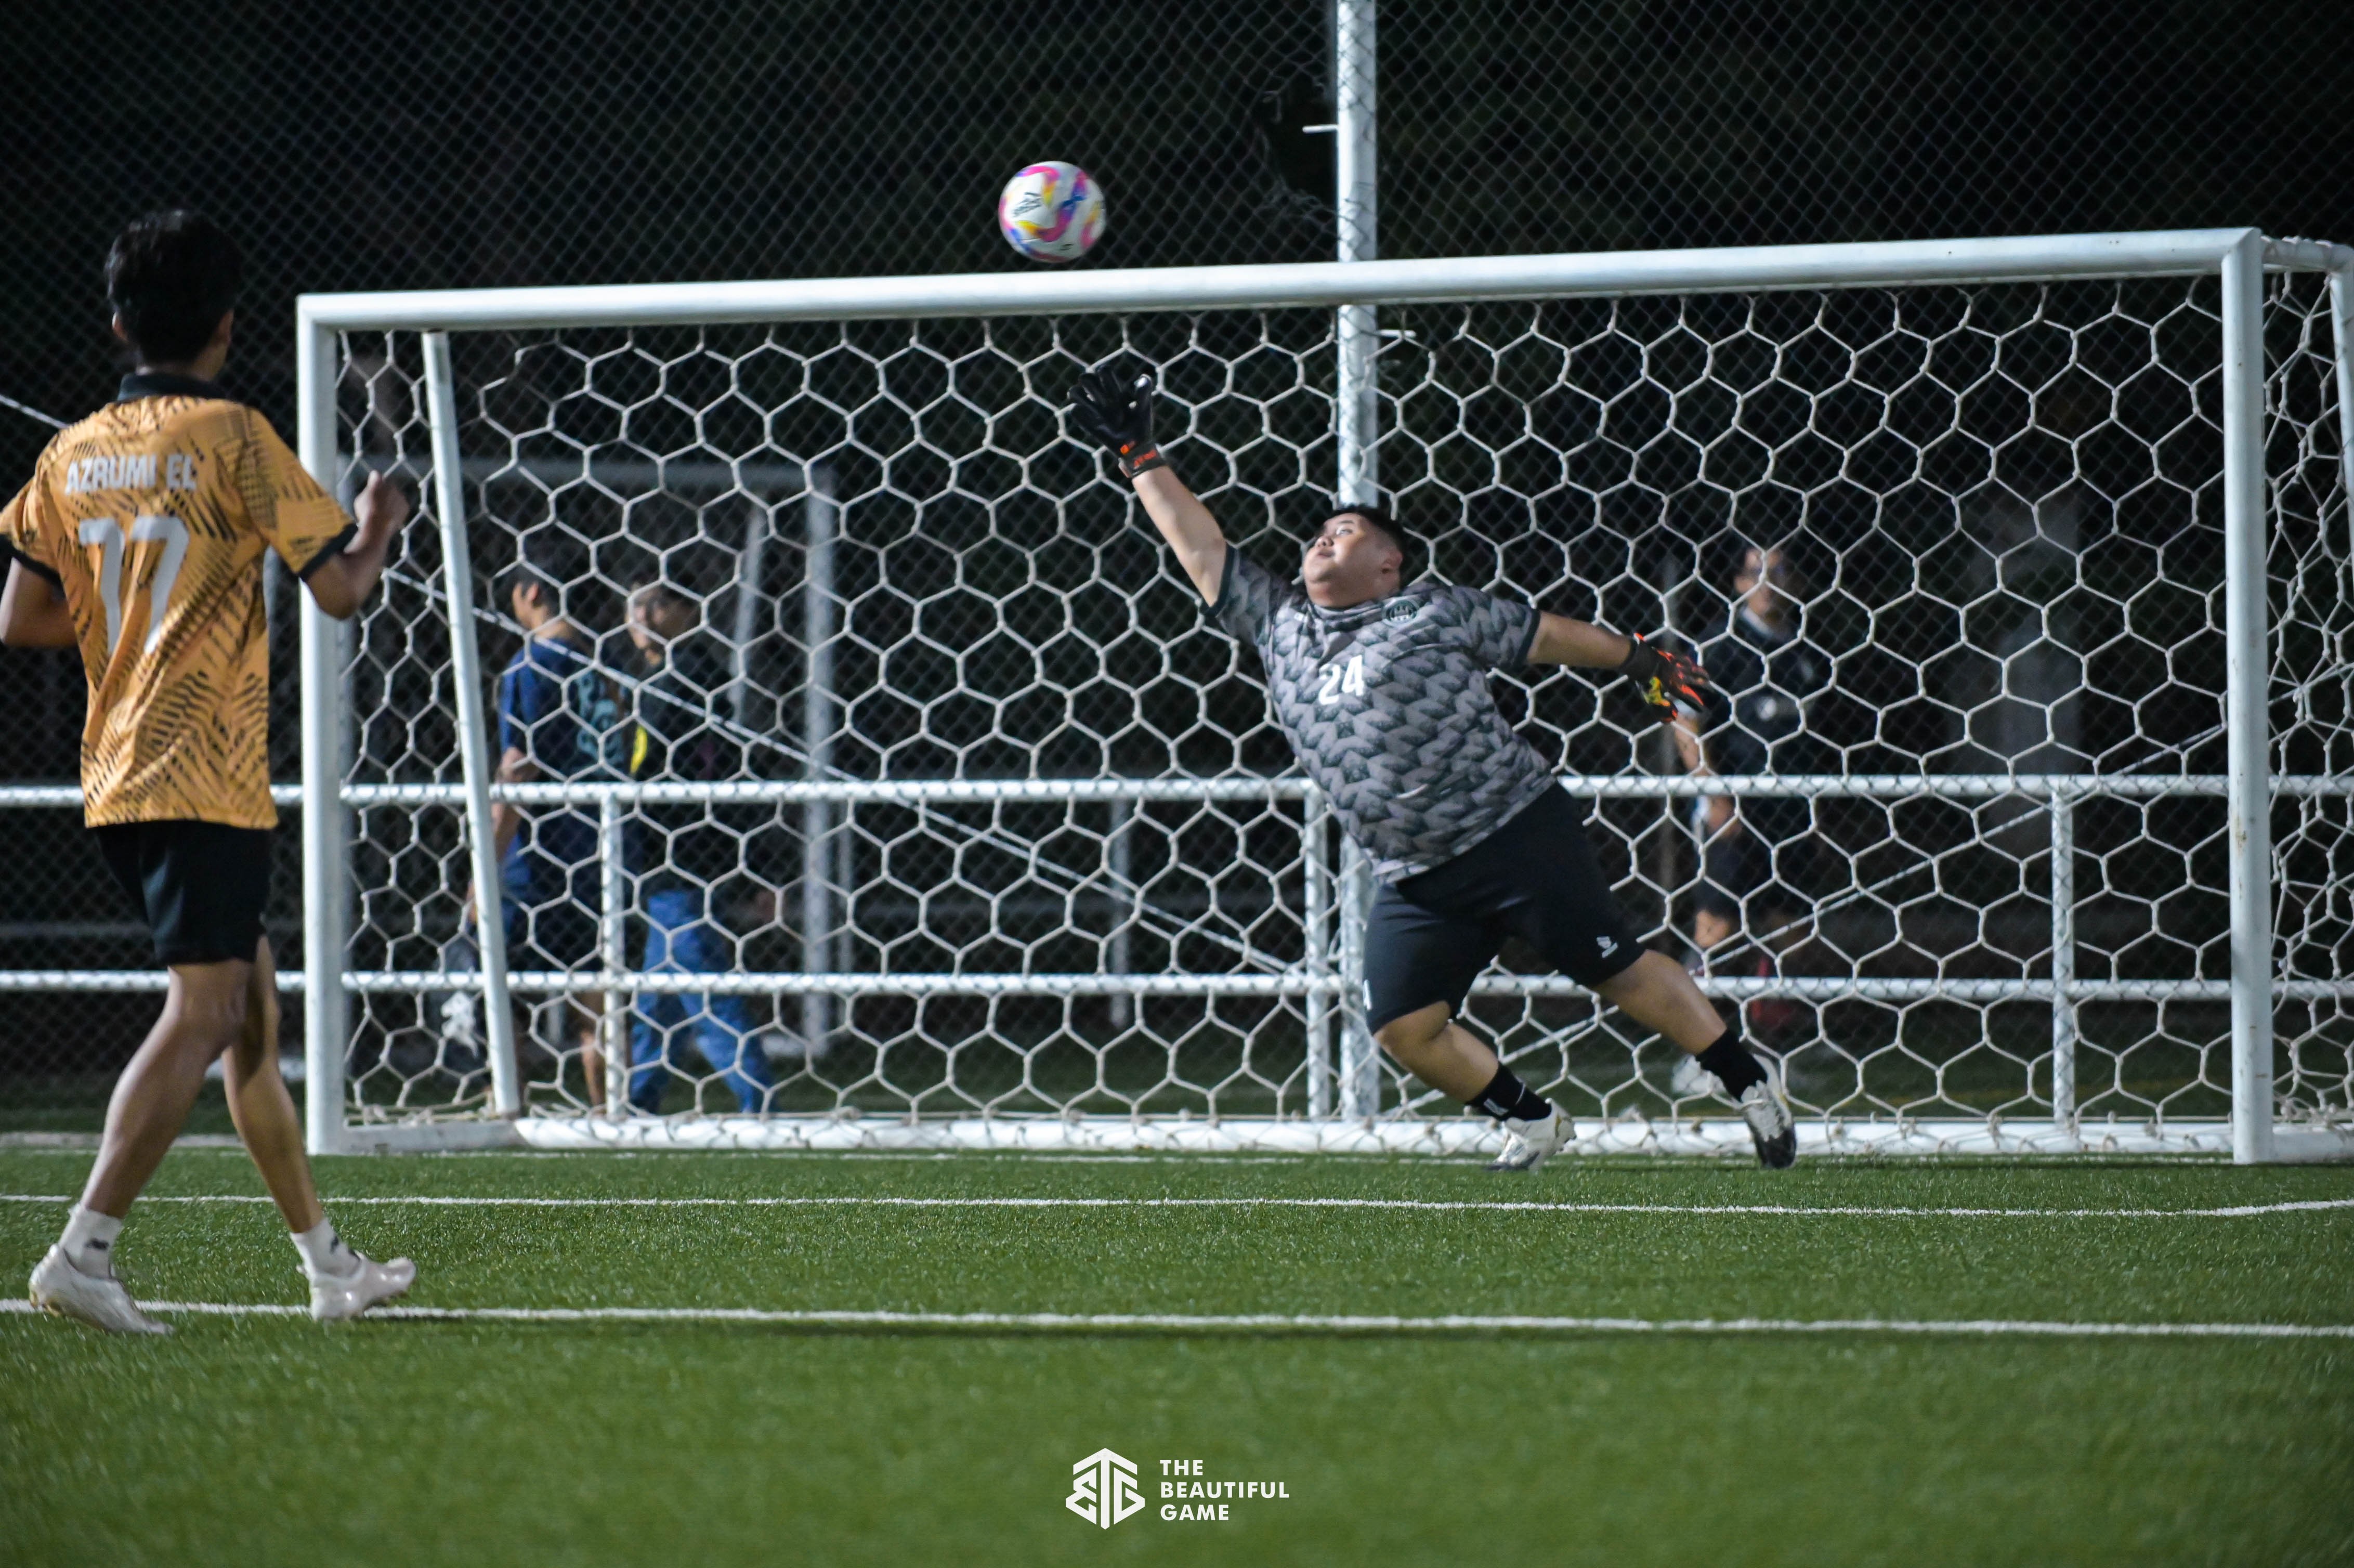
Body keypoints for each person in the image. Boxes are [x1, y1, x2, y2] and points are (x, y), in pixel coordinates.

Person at [1068, 365, 1797, 1170]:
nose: (1323, 538)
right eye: (1320, 532)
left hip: (1516, 834)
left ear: (1389, 563)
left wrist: (1641, 662)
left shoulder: (1431, 610)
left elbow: (1546, 636)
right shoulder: (1280, 628)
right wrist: (1140, 457)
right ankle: (1535, 1122)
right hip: (1415, 875)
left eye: (1346, 531)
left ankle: (1749, 1081)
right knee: (1403, 1027)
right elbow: (1201, 546)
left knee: (1618, 972)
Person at [1, 210, 414, 1331]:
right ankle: (82, 1251)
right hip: (205, 771)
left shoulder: (71, 452)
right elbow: (341, 591)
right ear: (227, 326)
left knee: (251, 1021)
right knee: (208, 1009)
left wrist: (130, 624)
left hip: (116, 769)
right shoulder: (234, 436)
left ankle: (329, 1265)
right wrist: (377, 522)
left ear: (118, 323)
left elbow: (21, 617)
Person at [461, 548, 626, 1107]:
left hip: (538, 859)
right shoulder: (605, 663)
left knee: (499, 986)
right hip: (601, 852)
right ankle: (608, 1111)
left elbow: (518, 771)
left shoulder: (532, 665)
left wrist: (484, 866)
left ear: (530, 593)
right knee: (595, 995)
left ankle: (508, 1099)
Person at [620, 575, 773, 1113]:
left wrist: (759, 869)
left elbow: (700, 772)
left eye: (655, 604)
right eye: (633, 605)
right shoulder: (670, 679)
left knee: (703, 992)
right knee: (658, 997)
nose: (641, 616)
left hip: (682, 858)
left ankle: (759, 1104)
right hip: (666, 860)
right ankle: (640, 1103)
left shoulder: (685, 683)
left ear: (688, 611)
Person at [1672, 544, 1832, 1047]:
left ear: (1797, 582)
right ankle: (1697, 1043)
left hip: (1792, 808)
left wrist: (1817, 810)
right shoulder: (1716, 643)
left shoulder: (1807, 649)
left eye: (1779, 571)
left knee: (1791, 926)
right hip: (1734, 805)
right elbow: (1681, 717)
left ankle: (1772, 1038)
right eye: (1756, 572)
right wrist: (1714, 791)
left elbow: (1817, 737)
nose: (1768, 582)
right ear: (1740, 584)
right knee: (1717, 925)